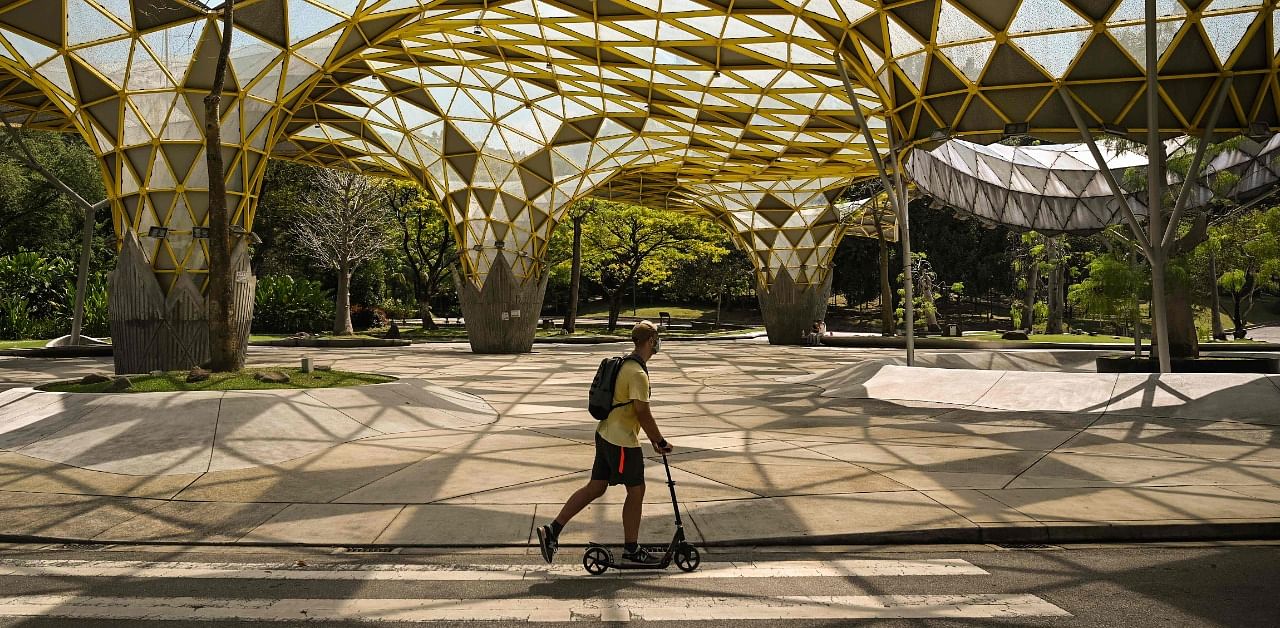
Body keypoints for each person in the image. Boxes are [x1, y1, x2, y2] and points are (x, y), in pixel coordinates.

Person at [536, 320, 673, 565]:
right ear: (651, 342)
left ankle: (552, 530)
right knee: (636, 491)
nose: (658, 344)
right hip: (622, 442)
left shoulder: (623, 365)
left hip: (605, 433)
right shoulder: (638, 374)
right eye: (657, 340)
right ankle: (632, 549)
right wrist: (659, 440)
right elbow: (643, 412)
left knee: (596, 487)